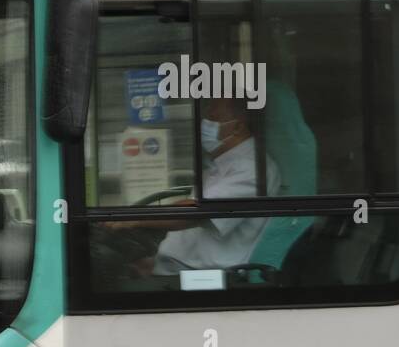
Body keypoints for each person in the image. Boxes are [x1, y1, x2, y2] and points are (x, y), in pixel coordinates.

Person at [106, 96, 280, 275]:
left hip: (205, 276)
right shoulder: (220, 164)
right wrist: (151, 264)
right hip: (174, 267)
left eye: (212, 117)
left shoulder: (252, 169)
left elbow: (196, 213)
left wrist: (133, 219)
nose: (203, 123)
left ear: (238, 127)